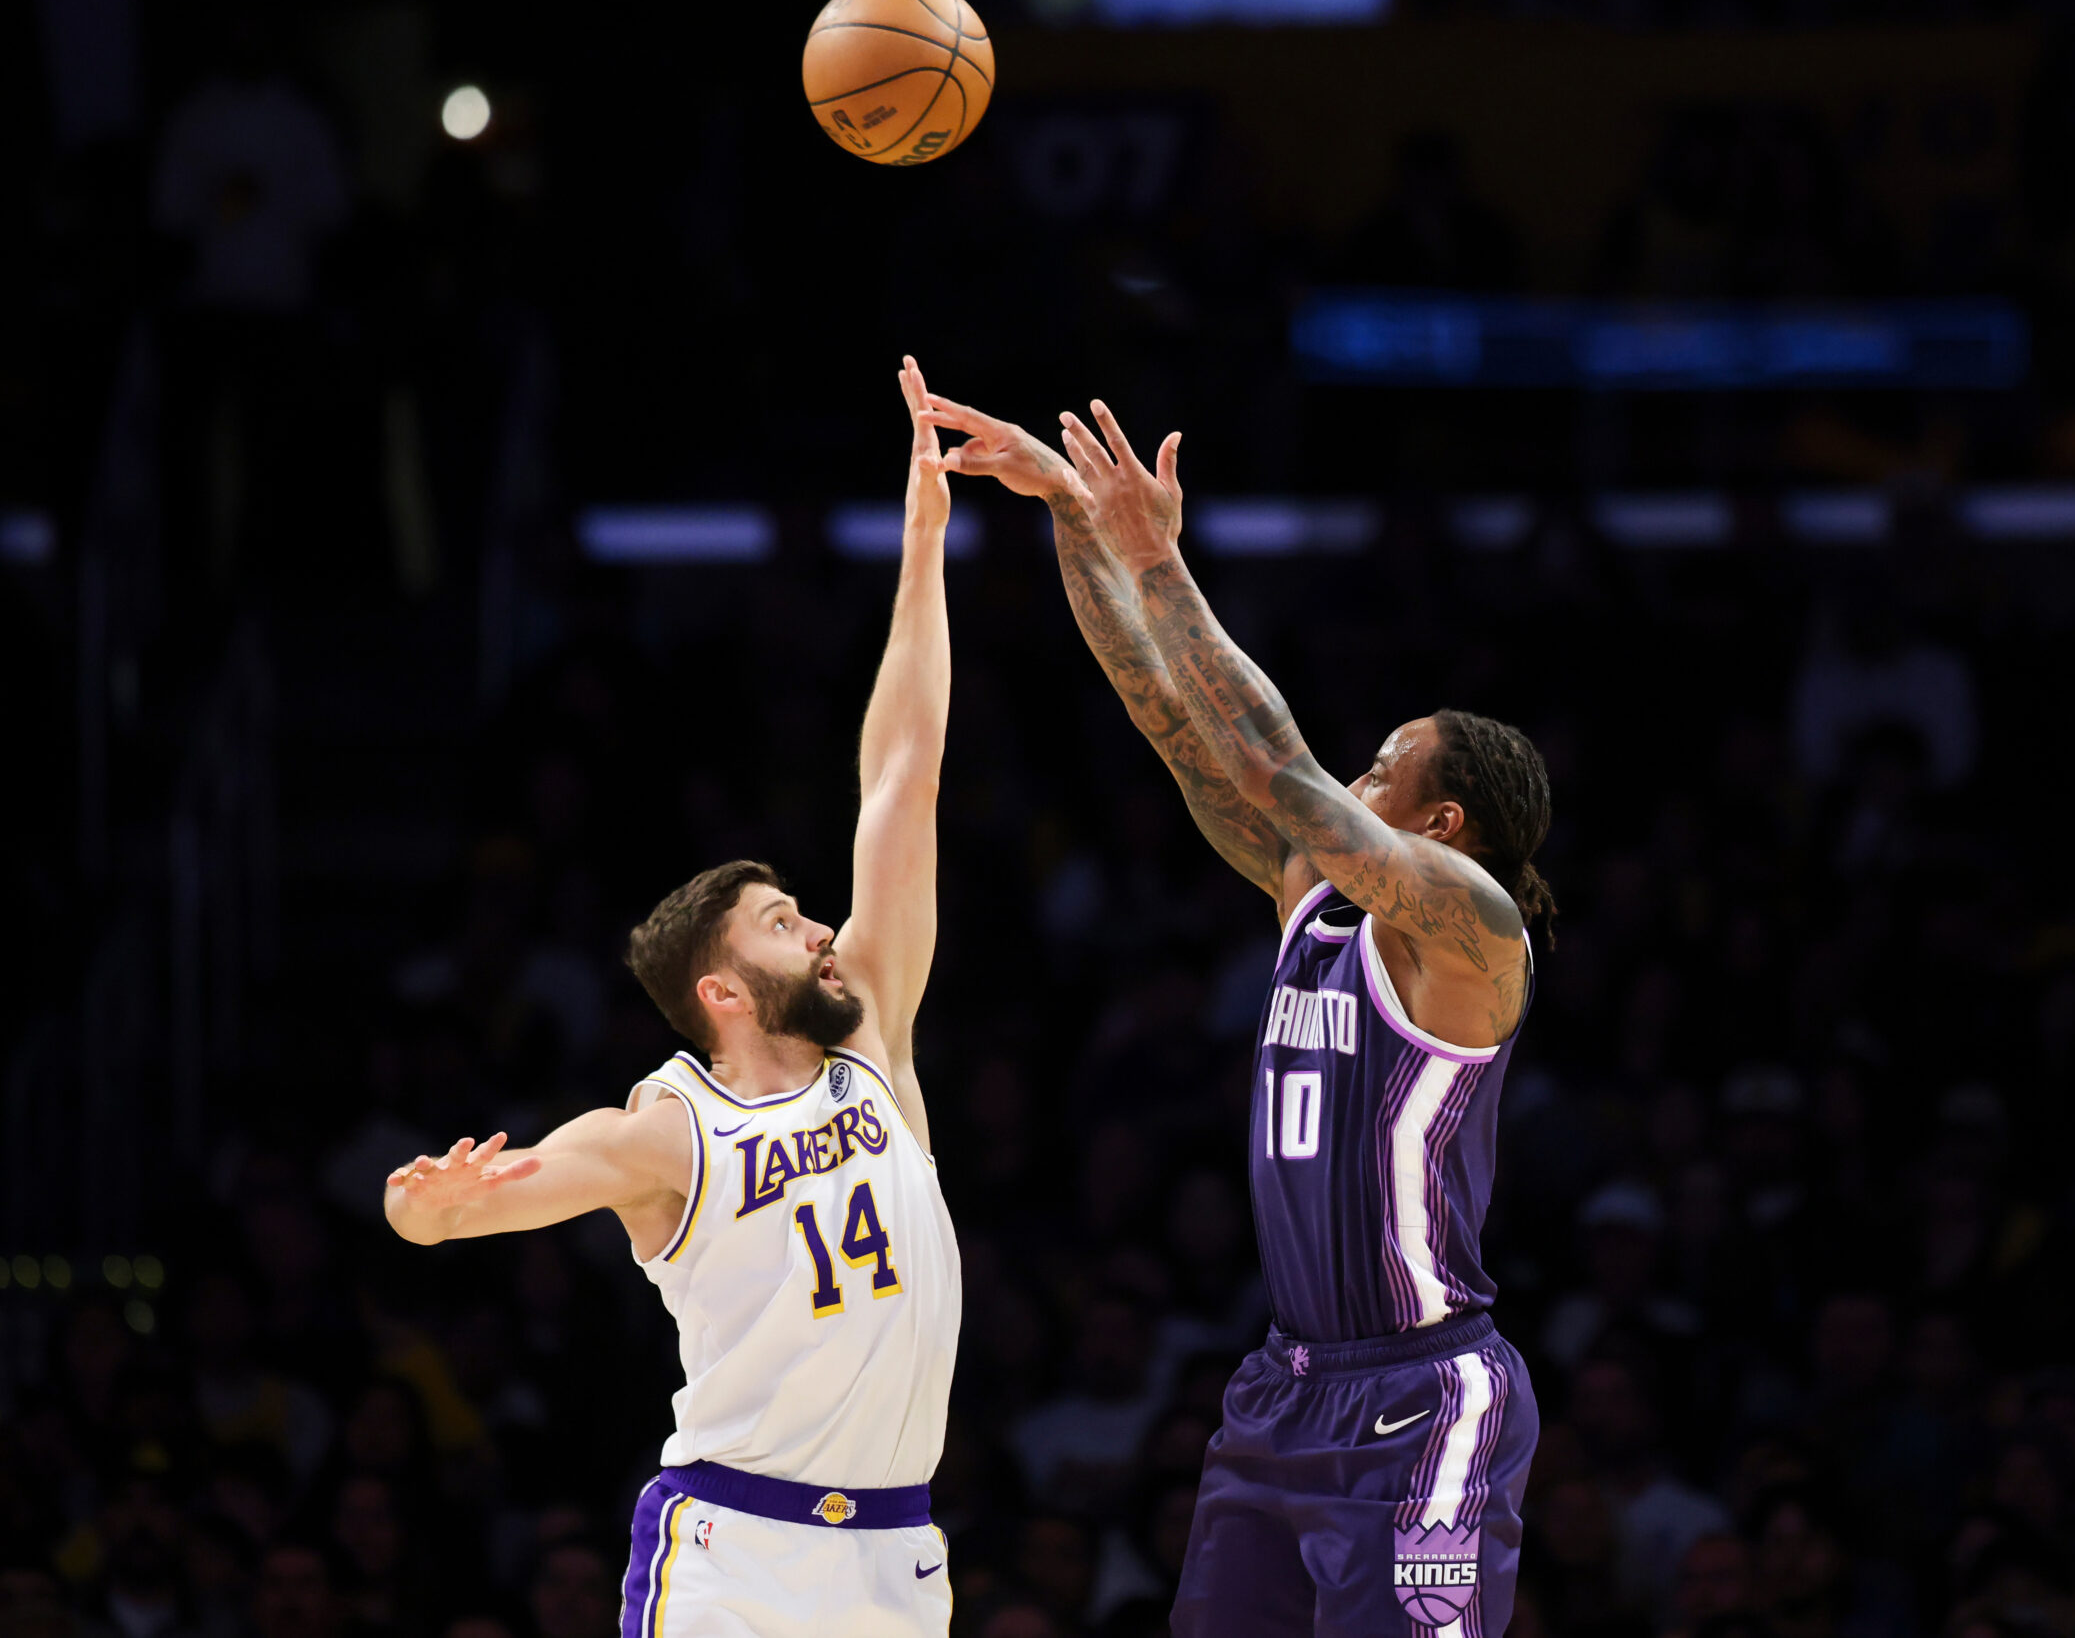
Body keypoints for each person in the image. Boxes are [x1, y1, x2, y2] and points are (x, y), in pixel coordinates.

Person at [917, 387, 1554, 1636]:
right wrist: (1073, 523)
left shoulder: (1472, 936)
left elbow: (1281, 768)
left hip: (1425, 1393)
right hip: (1283, 1386)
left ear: (1443, 823)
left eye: (1387, 764)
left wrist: (1160, 558)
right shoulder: (1311, 900)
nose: (1357, 771)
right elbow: (1174, 719)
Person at [380, 358, 964, 1637]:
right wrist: (422, 1206)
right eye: (782, 922)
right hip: (736, 1549)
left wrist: (924, 546)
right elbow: (470, 1213)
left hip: (900, 1554)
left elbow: (901, 774)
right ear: (722, 989)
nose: (820, 928)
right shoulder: (664, 1130)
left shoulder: (874, 1034)